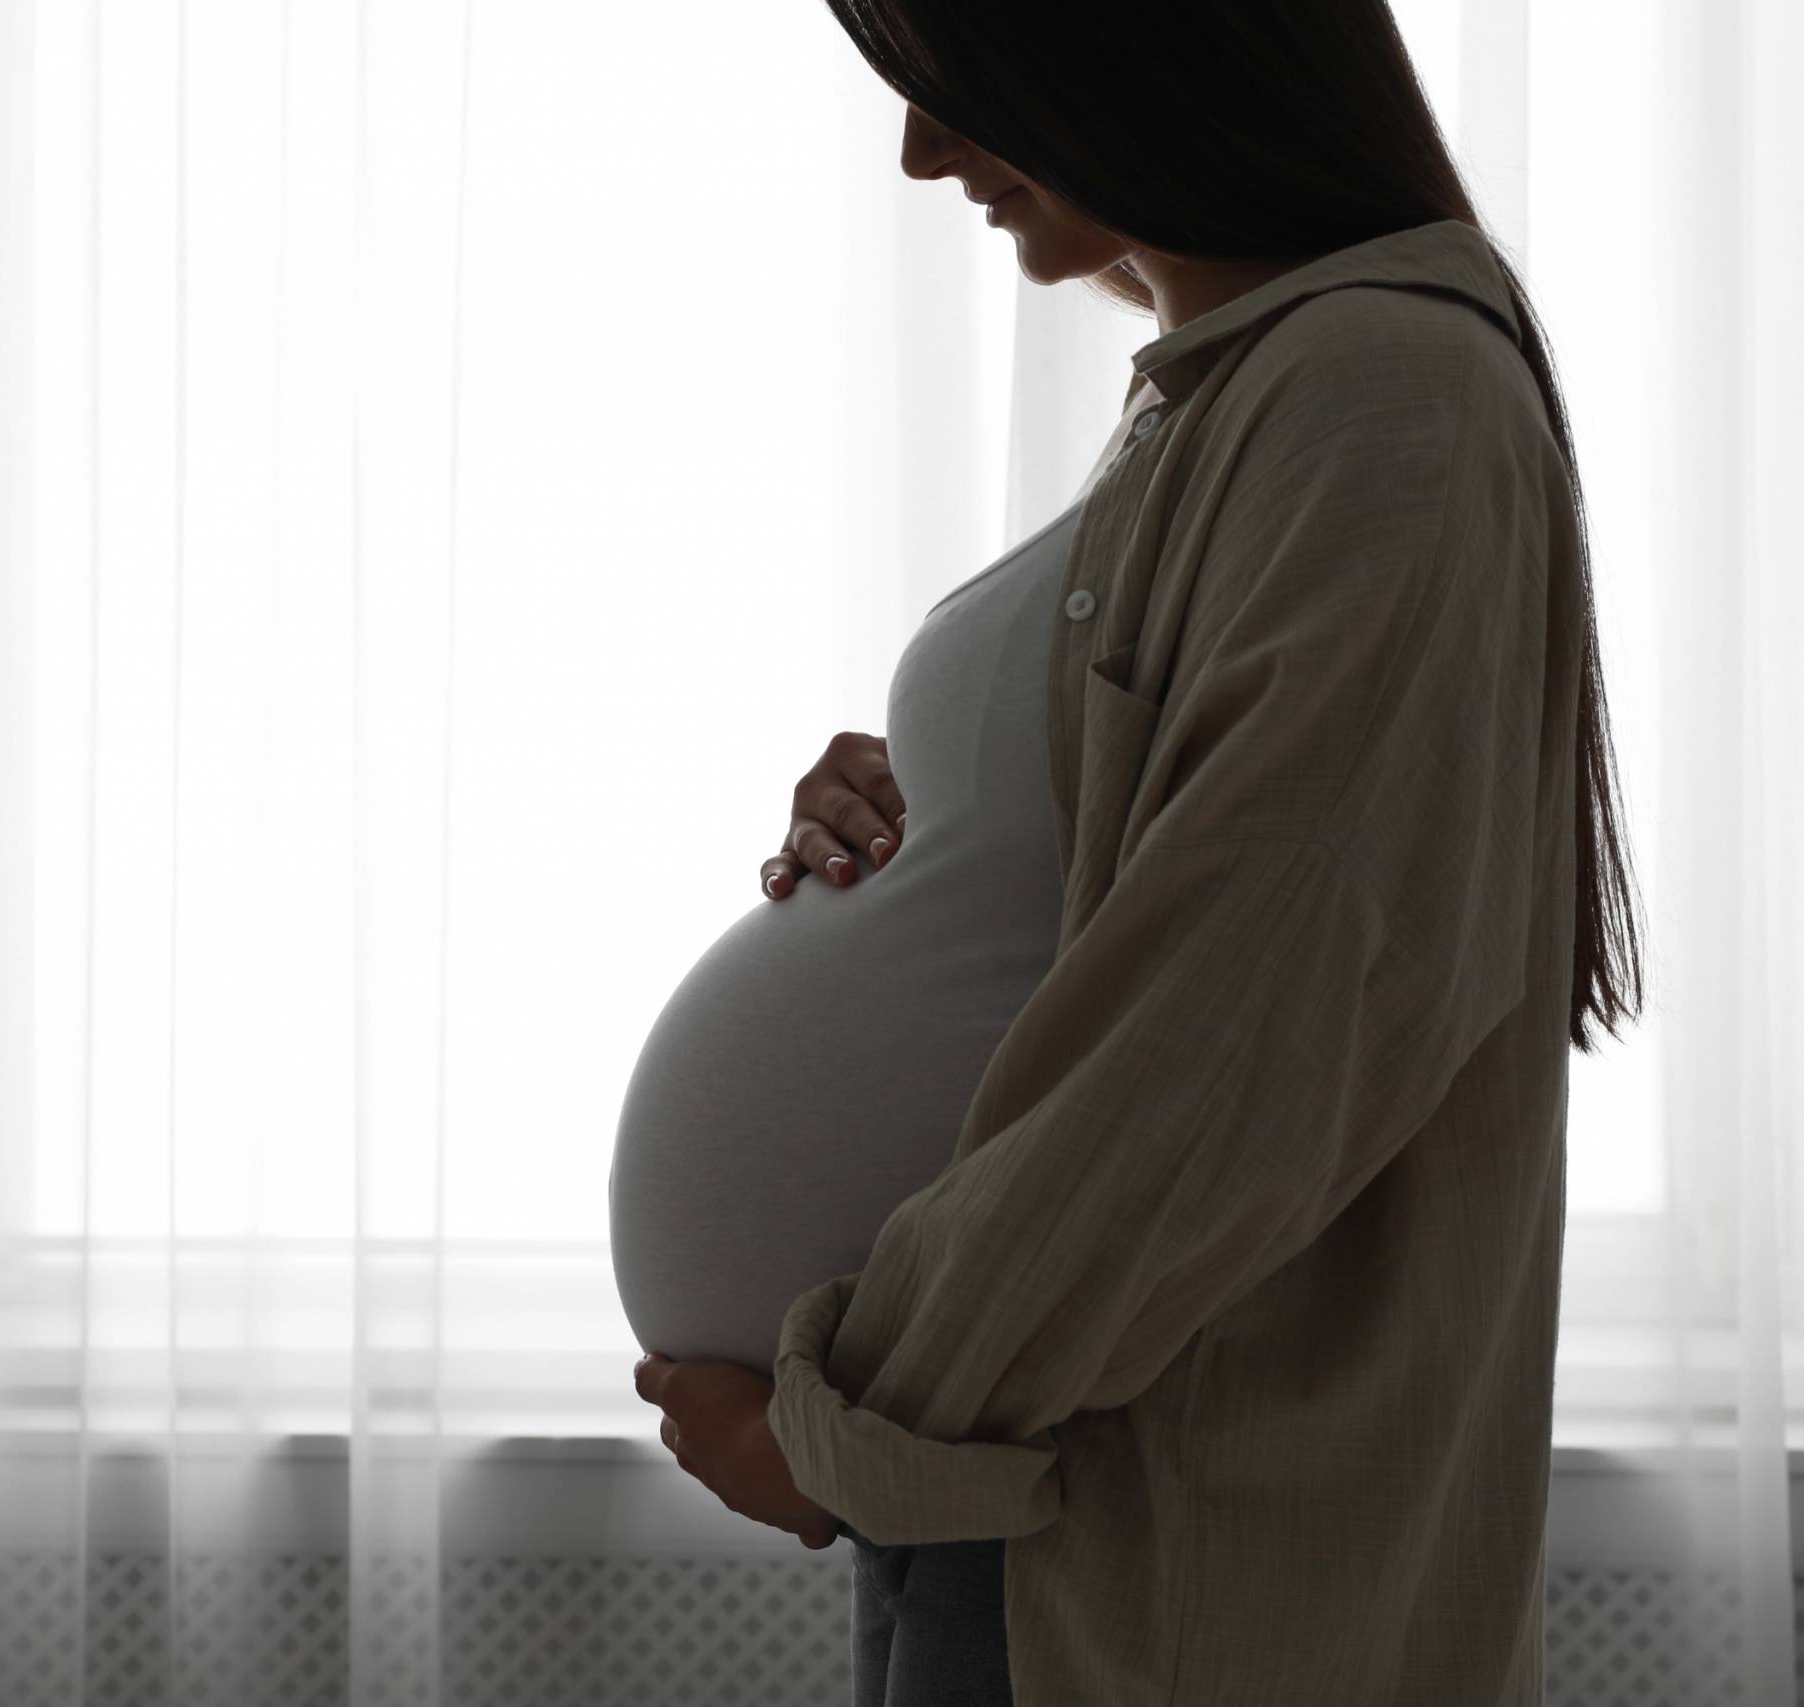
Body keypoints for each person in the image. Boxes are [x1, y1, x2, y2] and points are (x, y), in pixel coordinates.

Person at [631, 3, 1646, 1703]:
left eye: (959, 92)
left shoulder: (1378, 392)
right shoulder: (1253, 388)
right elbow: (1204, 885)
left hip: (1123, 1523)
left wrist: (859, 1429)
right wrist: (950, 812)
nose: (922, 155)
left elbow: (1246, 1036)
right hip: (1027, 1487)